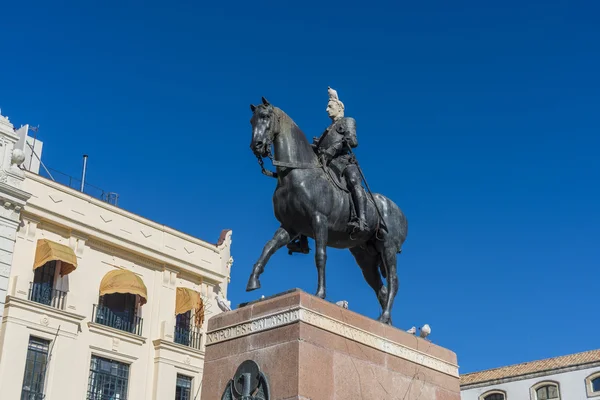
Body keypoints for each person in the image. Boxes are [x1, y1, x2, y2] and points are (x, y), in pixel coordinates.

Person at [287, 87, 368, 255]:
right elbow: (317, 150)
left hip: (344, 163)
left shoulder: (348, 121)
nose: (326, 109)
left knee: (354, 182)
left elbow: (353, 141)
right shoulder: (326, 131)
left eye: (330, 106)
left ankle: (362, 220)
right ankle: (302, 238)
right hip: (326, 165)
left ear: (339, 108)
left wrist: (335, 147)